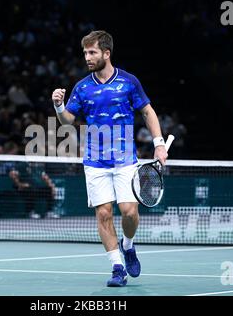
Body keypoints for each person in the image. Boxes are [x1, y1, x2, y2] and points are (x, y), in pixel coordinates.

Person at [51, 30, 168, 287]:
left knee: (129, 212)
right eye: (85, 53)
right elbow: (67, 121)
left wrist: (159, 145)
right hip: (94, 162)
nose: (87, 57)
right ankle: (117, 267)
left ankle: (128, 245)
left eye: (92, 52)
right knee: (103, 214)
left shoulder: (128, 82)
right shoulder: (82, 87)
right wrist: (58, 105)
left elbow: (147, 112)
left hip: (126, 161)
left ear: (106, 53)